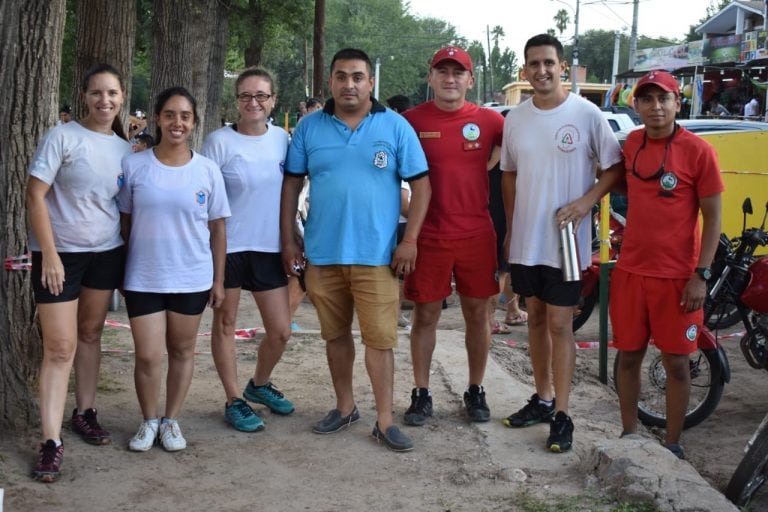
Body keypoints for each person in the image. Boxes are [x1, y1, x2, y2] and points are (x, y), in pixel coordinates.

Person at [281, 47, 430, 452]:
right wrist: (288, 237)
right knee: (335, 337)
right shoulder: (310, 128)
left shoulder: (395, 126)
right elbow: (291, 185)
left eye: (358, 76)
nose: (350, 84)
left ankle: (385, 420)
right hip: (322, 255)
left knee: (380, 341)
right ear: (330, 81)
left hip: (377, 257)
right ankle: (344, 407)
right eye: (342, 76)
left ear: (371, 82)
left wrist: (410, 240)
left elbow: (422, 186)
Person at [499, 34, 623, 453]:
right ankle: (543, 398)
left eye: (548, 63)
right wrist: (513, 226)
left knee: (559, 324)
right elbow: (509, 174)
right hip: (526, 242)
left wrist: (584, 203)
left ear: (562, 66)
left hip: (566, 243)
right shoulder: (516, 118)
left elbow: (613, 169)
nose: (541, 71)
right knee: (534, 319)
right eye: (533, 64)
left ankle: (564, 414)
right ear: (525, 70)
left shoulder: (586, 114)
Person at [27, 64, 132, 483]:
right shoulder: (62, 136)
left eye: (112, 94)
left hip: (105, 254)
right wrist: (48, 254)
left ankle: (85, 412)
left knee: (90, 335)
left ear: (122, 98)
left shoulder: (126, 150)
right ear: (84, 96)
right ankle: (51, 441)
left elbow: (122, 209)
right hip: (59, 257)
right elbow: (35, 194)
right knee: (58, 348)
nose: (104, 101)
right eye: (96, 93)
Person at [612, 70, 723, 459]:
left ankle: (672, 442)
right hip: (630, 272)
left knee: (677, 364)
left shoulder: (698, 151)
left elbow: (713, 219)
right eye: (647, 99)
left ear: (678, 103)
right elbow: (616, 180)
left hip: (678, 278)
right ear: (636, 104)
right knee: (628, 356)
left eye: (664, 99)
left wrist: (701, 275)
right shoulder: (631, 143)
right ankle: (629, 434)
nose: (656, 106)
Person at [118, 87, 230, 453]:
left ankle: (171, 420)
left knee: (181, 351)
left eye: (184, 116)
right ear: (158, 119)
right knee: (148, 355)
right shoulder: (134, 165)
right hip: (144, 276)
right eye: (169, 115)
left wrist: (218, 280)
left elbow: (217, 229)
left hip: (192, 277)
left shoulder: (208, 170)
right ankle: (149, 420)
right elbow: (125, 221)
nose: (177, 123)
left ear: (194, 122)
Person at [400, 46, 504, 426]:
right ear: (430, 78)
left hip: (477, 234)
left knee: (478, 315)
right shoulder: (409, 121)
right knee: (425, 315)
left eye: (458, 72)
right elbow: (389, 175)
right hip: (429, 236)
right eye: (442, 71)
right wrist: (411, 218)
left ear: (470, 80)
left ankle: (475, 389)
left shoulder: (492, 121)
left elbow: (518, 156)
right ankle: (421, 392)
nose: (450, 78)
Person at [201, 68, 294, 433]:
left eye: (261, 96)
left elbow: (291, 193)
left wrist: (294, 237)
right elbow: (205, 199)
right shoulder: (218, 142)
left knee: (281, 331)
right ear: (236, 100)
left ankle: (259, 383)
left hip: (270, 246)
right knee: (225, 324)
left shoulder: (283, 140)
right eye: (245, 96)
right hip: (229, 248)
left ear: (273, 100)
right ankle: (233, 398)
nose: (253, 103)